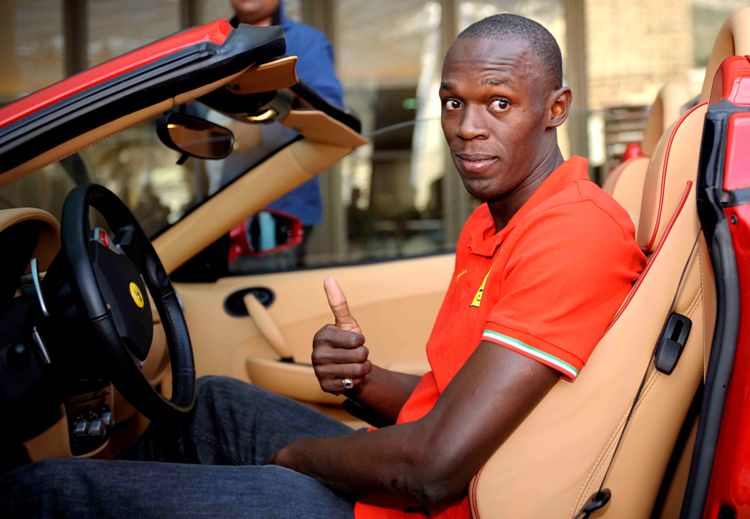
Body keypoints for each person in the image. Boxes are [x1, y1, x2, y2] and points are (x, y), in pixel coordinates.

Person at [0, 14, 646, 518]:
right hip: (442, 477)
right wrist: (362, 381)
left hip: (437, 504)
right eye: (453, 102)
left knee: (50, 491)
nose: (467, 127)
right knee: (213, 406)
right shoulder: (498, 218)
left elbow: (431, 468)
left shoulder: (572, 232)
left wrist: (292, 461)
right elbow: (454, 402)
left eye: (499, 102)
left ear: (555, 109)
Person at [230, 0, 343, 268]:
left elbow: (329, 114)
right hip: (212, 211)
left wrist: (261, 132)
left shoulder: (307, 42)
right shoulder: (212, 42)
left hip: (276, 214)